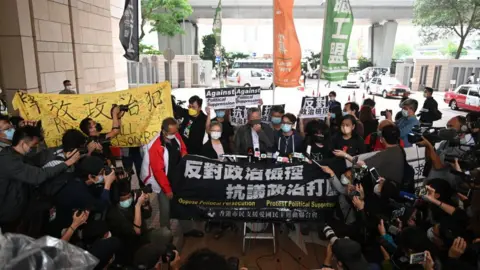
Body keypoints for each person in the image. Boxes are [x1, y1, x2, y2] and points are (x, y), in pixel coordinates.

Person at [0, 126, 80, 233]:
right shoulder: (9, 161)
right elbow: (38, 176)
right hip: (9, 215)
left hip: (22, 206)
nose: (33, 149)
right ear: (23, 143)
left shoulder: (15, 155)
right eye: (33, 145)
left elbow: (34, 164)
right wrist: (67, 163)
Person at [106, 180, 172, 266]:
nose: (128, 200)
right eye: (124, 198)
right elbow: (136, 231)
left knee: (165, 233)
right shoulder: (113, 214)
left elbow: (147, 214)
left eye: (129, 197)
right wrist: (137, 206)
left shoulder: (133, 202)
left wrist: (145, 203)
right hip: (129, 247)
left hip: (143, 237)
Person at [48, 156, 116, 238]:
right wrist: (108, 183)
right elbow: (102, 206)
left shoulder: (74, 176)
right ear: (90, 176)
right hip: (61, 227)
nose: (104, 175)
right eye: (101, 173)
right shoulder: (79, 193)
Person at [141, 117, 187, 232]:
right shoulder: (156, 147)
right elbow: (158, 172)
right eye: (173, 132)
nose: (176, 134)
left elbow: (182, 146)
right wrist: (167, 189)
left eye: (177, 131)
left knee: (182, 204)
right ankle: (165, 234)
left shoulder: (175, 134)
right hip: (163, 181)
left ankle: (186, 229)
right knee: (165, 209)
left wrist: (184, 155)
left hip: (177, 177)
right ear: (164, 131)